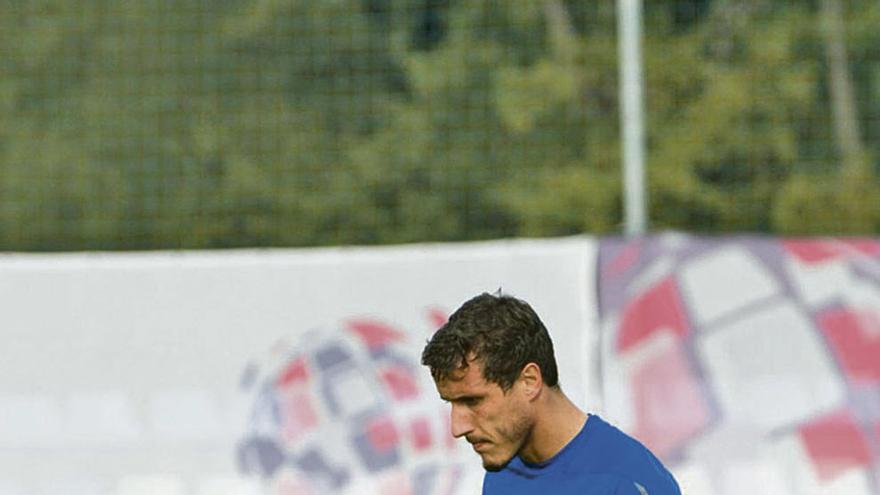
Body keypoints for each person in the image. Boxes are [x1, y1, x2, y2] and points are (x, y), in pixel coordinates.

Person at [421, 292, 680, 495]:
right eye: (452, 403)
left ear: (530, 381)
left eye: (472, 400)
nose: (457, 427)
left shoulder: (629, 483)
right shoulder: (502, 473)